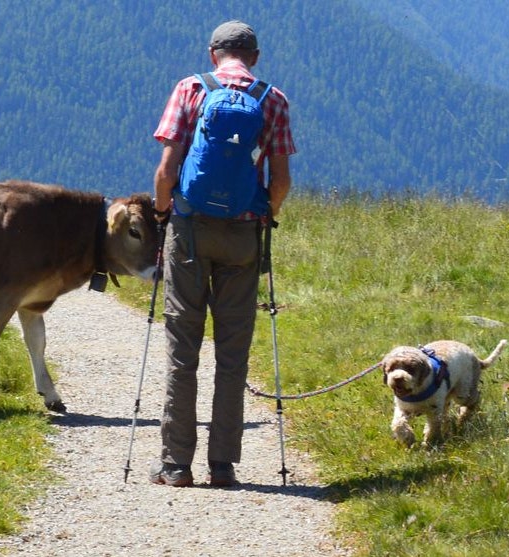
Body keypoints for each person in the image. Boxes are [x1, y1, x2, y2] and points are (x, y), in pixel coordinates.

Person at [149, 20, 296, 487]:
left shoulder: (191, 88)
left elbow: (166, 170)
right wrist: (264, 215)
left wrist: (161, 213)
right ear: (253, 56)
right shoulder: (272, 99)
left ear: (214, 53)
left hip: (190, 229)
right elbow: (281, 181)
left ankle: (175, 465)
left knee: (182, 348)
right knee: (233, 353)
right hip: (242, 235)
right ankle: (223, 465)